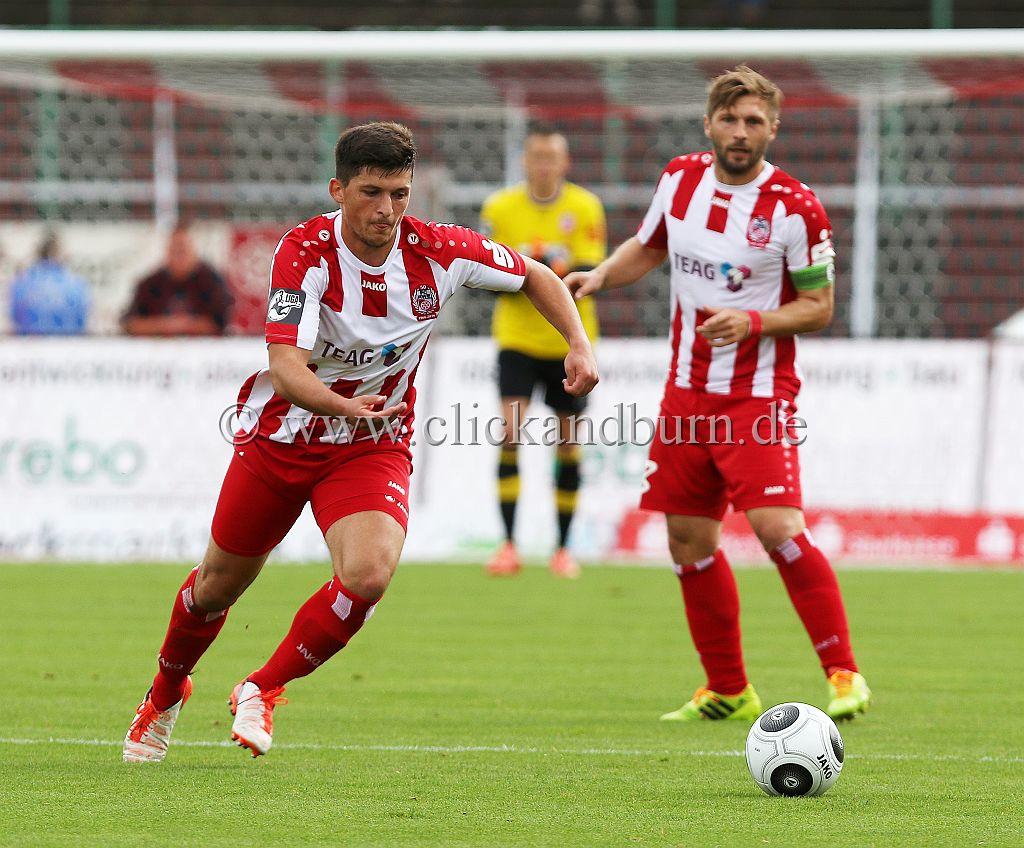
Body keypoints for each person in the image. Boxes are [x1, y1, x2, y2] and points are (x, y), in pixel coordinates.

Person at [122, 121, 599, 763]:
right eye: (372, 192)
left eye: (399, 194)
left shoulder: (439, 250)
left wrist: (578, 342)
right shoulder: (305, 252)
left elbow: (536, 274)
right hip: (283, 437)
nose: (387, 209)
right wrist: (343, 405)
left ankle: (262, 687)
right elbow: (286, 368)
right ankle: (165, 692)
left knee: (369, 574)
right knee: (215, 587)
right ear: (338, 190)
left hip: (370, 445)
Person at [566, 66, 871, 722]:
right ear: (709, 123)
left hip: (754, 397)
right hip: (685, 393)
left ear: (772, 129)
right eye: (729, 119)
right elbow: (649, 246)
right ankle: (728, 687)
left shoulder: (795, 206)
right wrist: (600, 277)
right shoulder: (679, 179)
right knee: (687, 539)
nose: (739, 131)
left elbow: (818, 307)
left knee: (777, 528)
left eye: (753, 121)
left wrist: (754, 321)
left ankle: (844, 673)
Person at [481, 127, 606, 579]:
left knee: (568, 444)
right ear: (525, 161)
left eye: (552, 156)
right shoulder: (500, 207)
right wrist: (542, 266)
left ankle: (563, 549)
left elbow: (587, 271)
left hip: (568, 343)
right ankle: (508, 545)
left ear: (564, 162)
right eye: (537, 156)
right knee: (509, 432)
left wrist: (532, 265)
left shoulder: (585, 207)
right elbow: (487, 273)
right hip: (517, 340)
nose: (544, 164)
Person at [122, 224, 232, 336]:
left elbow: (221, 323)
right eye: (175, 250)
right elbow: (130, 324)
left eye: (183, 249)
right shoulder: (150, 284)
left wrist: (180, 325)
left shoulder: (212, 282)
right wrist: (166, 325)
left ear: (194, 250)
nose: (179, 255)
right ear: (166, 251)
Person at [10, 232, 90, 334]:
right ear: (54, 253)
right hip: (68, 341)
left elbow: (15, 319)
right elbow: (82, 320)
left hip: (29, 341)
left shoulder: (21, 283)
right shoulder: (76, 284)